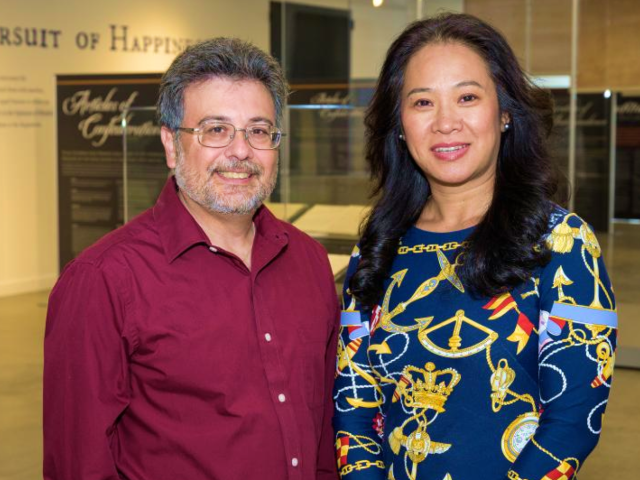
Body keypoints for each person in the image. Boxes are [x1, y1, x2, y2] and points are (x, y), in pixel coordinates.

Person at [333, 13, 617, 480]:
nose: (446, 123)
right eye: (422, 102)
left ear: (504, 112)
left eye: (467, 97)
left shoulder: (563, 243)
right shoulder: (377, 248)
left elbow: (571, 426)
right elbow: (354, 410)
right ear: (400, 124)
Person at [44, 38, 340, 480]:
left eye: (259, 130)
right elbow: (78, 465)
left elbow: (323, 438)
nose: (241, 152)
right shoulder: (103, 280)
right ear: (170, 143)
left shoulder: (310, 262)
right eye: (215, 130)